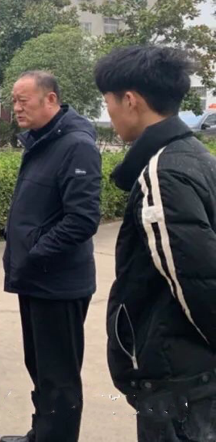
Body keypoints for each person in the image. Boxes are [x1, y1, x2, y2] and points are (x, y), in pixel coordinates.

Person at [95, 46, 216, 442]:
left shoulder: (162, 172)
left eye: (108, 102)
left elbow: (196, 283)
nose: (110, 112)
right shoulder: (196, 155)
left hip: (179, 377)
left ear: (130, 101)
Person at [0, 71, 102, 442]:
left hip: (58, 282)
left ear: (51, 100)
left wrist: (35, 253)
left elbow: (83, 219)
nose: (16, 107)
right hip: (35, 277)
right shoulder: (42, 141)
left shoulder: (76, 145)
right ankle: (42, 433)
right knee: (40, 367)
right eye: (14, 100)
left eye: (23, 100)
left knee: (59, 376)